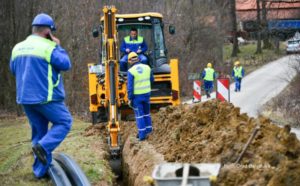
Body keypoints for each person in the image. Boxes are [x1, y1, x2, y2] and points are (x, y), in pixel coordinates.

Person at [9, 13, 72, 178]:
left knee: (39, 133)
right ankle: (43, 148)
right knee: (64, 122)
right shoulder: (49, 47)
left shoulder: (17, 47)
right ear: (48, 32)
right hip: (46, 98)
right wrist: (58, 46)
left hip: (25, 99)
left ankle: (39, 172)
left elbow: (13, 69)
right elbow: (66, 64)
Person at [127, 52, 154, 141]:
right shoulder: (147, 68)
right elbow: (152, 80)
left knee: (139, 116)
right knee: (147, 113)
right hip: (146, 94)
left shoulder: (131, 71)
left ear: (130, 61)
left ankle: (142, 135)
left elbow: (130, 87)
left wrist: (130, 98)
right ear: (138, 58)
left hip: (137, 97)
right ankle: (149, 130)